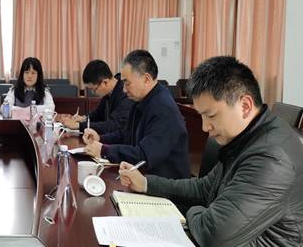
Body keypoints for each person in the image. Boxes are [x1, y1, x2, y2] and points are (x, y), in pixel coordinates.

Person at [118, 56, 303, 246]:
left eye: (211, 115)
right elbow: (206, 188)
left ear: (245, 106)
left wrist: (195, 211)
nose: (205, 127)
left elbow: (212, 234)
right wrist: (146, 183)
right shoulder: (245, 138)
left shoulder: (272, 158)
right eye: (202, 116)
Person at [83, 49, 190, 179]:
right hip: (144, 177)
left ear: (146, 79)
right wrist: (100, 139)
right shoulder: (141, 99)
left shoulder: (163, 109)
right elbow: (126, 134)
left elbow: (144, 156)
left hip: (165, 184)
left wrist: (104, 150)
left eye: (127, 83)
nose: (124, 90)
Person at [60, 59, 131, 134]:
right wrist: (84, 118)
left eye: (93, 89)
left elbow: (113, 125)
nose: (93, 93)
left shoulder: (126, 94)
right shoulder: (109, 92)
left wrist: (79, 126)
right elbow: (97, 114)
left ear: (105, 82)